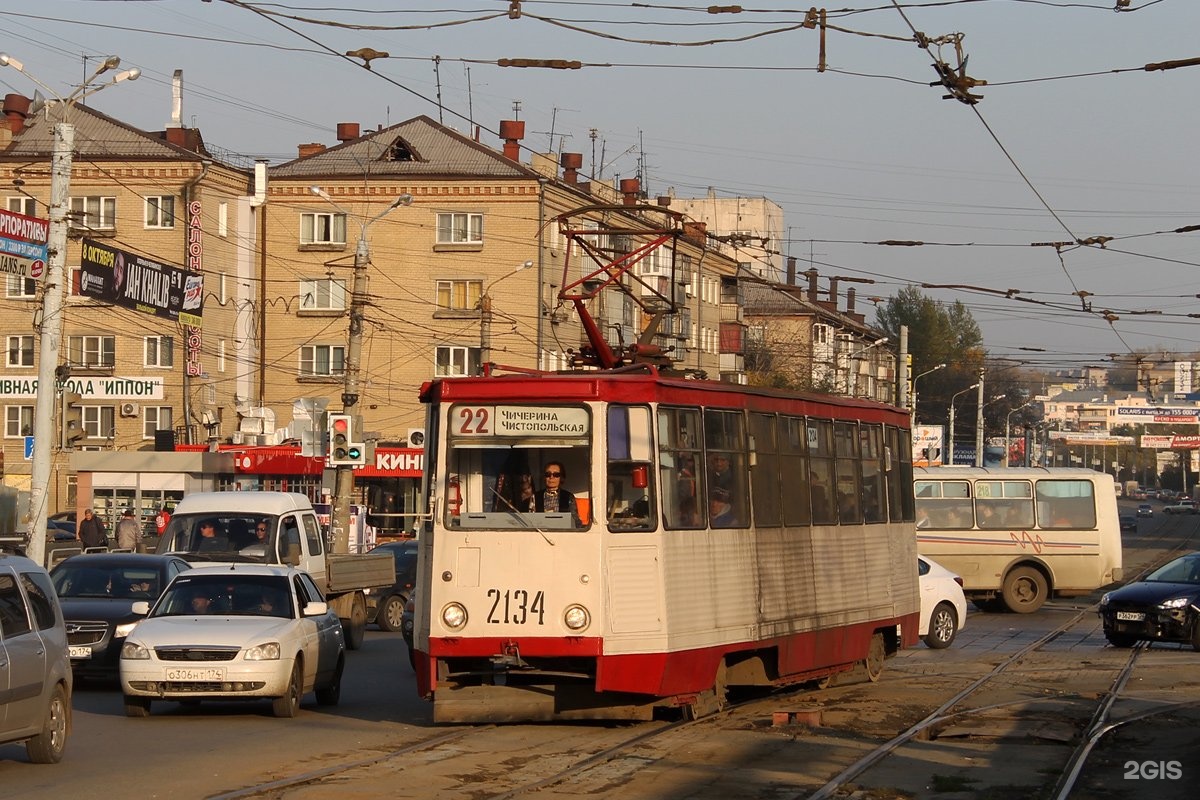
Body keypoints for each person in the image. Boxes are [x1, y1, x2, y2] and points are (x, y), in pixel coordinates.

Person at [534, 462, 581, 526]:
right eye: (548, 474)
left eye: (556, 475)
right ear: (544, 477)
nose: (551, 477)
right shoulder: (535, 497)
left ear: (562, 478)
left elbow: (575, 521)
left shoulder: (568, 497)